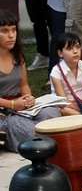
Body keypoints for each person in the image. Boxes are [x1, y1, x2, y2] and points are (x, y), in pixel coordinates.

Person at [0, 11, 60, 152]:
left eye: (14, 30)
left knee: (51, 113)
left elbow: (24, 85)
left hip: (20, 106)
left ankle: (46, 140)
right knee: (20, 125)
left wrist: (28, 97)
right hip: (4, 110)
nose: (11, 35)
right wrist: (13, 104)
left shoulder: (18, 56)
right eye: (4, 31)